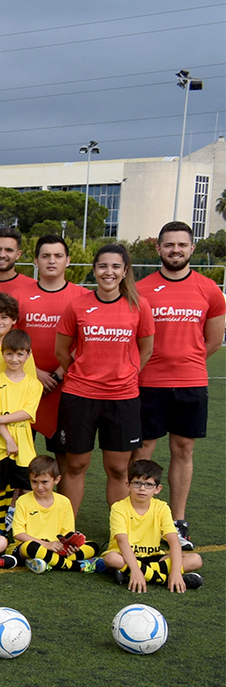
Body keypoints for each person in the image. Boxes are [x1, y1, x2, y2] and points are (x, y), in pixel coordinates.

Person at [136, 221, 225, 549]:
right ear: (158, 249)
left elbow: (212, 342)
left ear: (191, 249)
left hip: (190, 383)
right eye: (169, 245)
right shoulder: (142, 288)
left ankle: (177, 520)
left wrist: (186, 361)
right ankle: (141, 517)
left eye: (182, 245)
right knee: (143, 451)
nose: (176, 250)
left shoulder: (209, 289)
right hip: (148, 383)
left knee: (183, 450)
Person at [54, 244, 154, 511]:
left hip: (122, 399)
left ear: (125, 271)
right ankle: (67, 529)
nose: (108, 272)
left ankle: (120, 531)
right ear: (95, 270)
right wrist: (84, 373)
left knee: (119, 468)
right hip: (80, 396)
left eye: (115, 266)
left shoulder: (139, 306)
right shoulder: (77, 306)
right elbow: (61, 351)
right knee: (75, 465)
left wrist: (127, 374)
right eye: (103, 266)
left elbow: (147, 350)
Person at [19, 235, 89, 454]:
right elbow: (8, 338)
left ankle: (62, 491)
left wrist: (59, 374)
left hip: (66, 387)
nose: (52, 261)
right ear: (35, 261)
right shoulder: (18, 296)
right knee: (16, 457)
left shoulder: (84, 297)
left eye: (58, 256)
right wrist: (34, 371)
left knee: (66, 457)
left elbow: (86, 341)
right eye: (45, 256)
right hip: (25, 385)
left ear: (67, 260)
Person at [103, 459, 203, 592]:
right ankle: (162, 579)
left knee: (196, 559)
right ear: (128, 485)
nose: (142, 488)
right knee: (111, 558)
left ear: (158, 489)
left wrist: (176, 572)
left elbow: (173, 541)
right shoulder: (119, 507)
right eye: (137, 483)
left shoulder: (162, 508)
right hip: (125, 556)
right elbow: (122, 540)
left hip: (154, 558)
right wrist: (135, 569)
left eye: (149, 484)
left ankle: (134, 575)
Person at [0, 329, 42, 534]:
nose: (14, 359)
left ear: (28, 355)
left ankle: (23, 527)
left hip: (24, 445)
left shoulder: (34, 385)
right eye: (9, 354)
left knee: (26, 487)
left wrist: (2, 418)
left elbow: (27, 413)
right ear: (2, 353)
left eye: (19, 354)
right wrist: (8, 439)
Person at [11, 456, 105, 574]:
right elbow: (18, 534)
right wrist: (46, 544)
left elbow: (67, 533)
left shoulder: (64, 501)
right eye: (34, 482)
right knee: (31, 547)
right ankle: (75, 566)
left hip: (56, 547)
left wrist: (70, 547)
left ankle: (46, 562)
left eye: (44, 482)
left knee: (93, 546)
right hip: (30, 546)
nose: (39, 487)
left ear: (57, 480)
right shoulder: (23, 501)